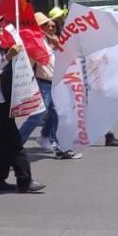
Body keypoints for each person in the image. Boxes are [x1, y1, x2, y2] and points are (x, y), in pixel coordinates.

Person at [0, 15, 48, 191]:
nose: (0, 26)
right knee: (13, 141)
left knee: (1, 141)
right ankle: (24, 179)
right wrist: (8, 56)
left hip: (2, 98)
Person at [20, 13, 79, 159]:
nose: (52, 28)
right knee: (38, 115)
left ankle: (54, 143)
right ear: (40, 28)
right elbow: (29, 64)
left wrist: (56, 44)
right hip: (43, 83)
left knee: (56, 113)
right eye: (48, 25)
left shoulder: (47, 41)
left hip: (54, 83)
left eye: (53, 26)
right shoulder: (36, 43)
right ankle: (15, 144)